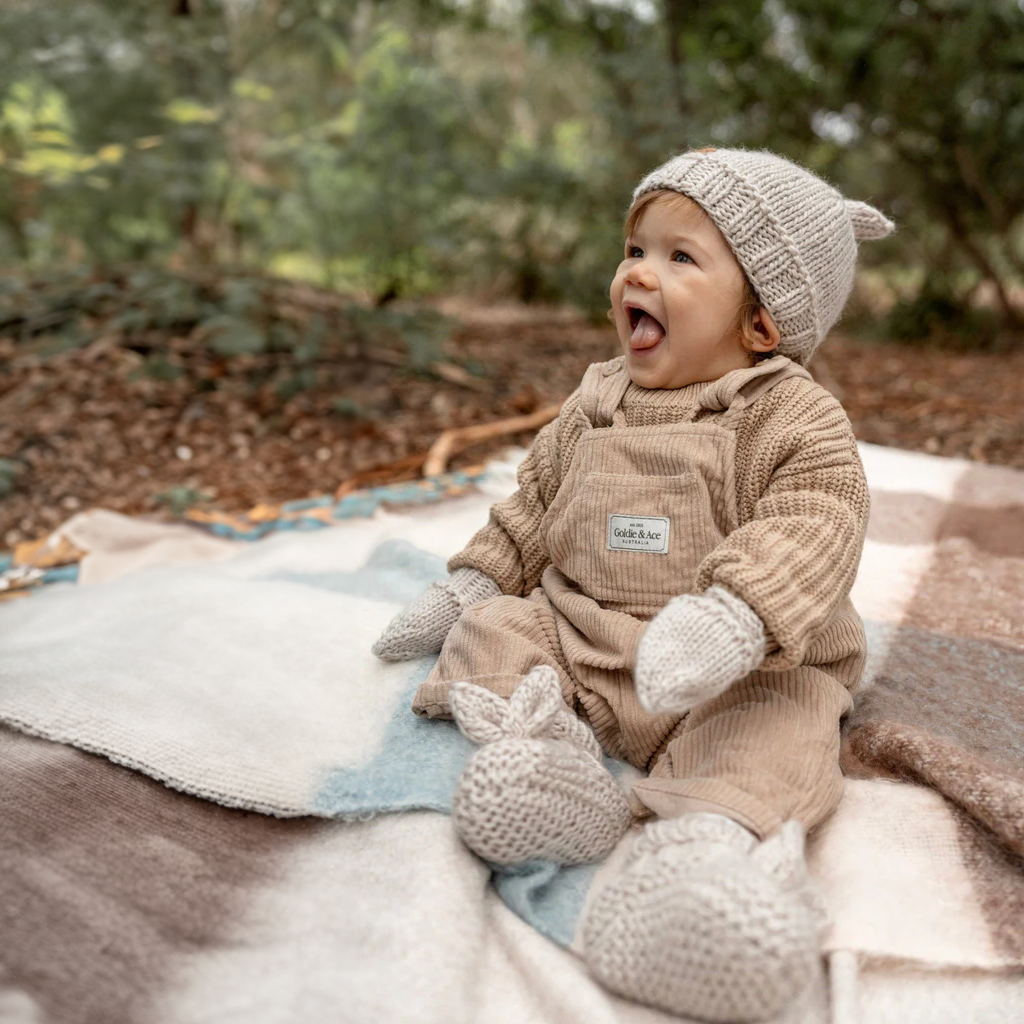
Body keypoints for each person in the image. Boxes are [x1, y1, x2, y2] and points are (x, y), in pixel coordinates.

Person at [372, 147, 894, 1023]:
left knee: (790, 718)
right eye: (635, 250)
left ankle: (698, 861)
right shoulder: (597, 400)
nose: (638, 275)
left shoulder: (792, 414)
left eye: (680, 257)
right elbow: (534, 507)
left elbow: (816, 522)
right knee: (500, 629)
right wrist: (471, 584)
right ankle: (550, 770)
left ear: (762, 322)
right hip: (584, 646)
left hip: (734, 673)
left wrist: (737, 613)